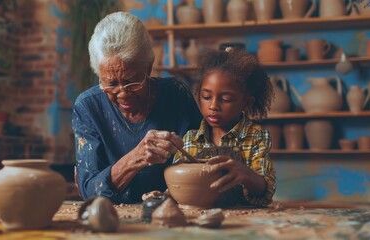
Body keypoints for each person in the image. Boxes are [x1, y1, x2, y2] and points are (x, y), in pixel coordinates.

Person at [72, 12, 202, 204]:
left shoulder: (176, 95)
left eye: (132, 82)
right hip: (115, 219)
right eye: (110, 84)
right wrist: (136, 157)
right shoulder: (88, 107)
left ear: (148, 68)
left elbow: (201, 164)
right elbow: (90, 192)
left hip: (174, 210)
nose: (123, 94)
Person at [173, 48, 276, 207]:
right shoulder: (191, 138)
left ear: (246, 103)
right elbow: (178, 182)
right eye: (206, 97)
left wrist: (246, 174)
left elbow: (266, 190)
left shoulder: (255, 136)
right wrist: (167, 194)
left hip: (244, 219)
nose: (213, 106)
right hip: (200, 216)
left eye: (226, 99)